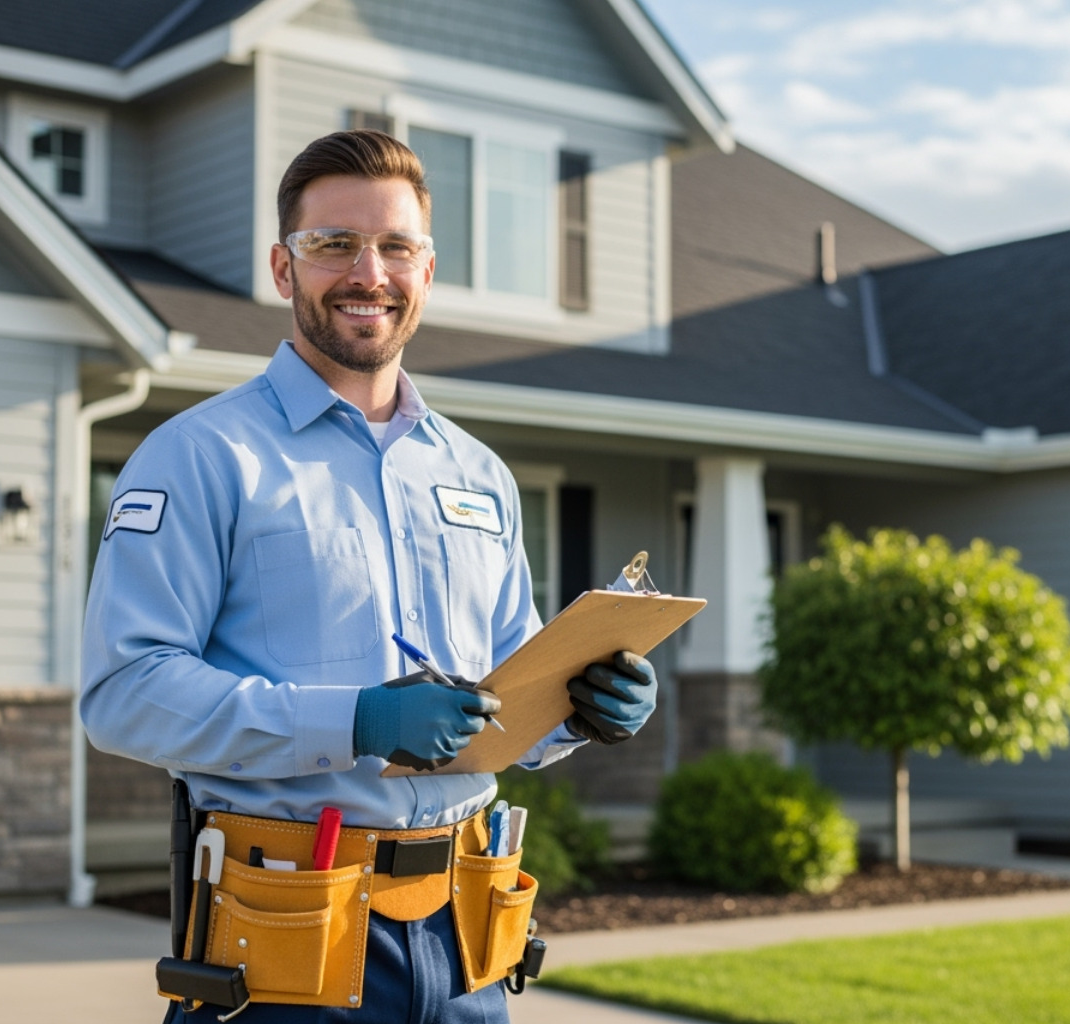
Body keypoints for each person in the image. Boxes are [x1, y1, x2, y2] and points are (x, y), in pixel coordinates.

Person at [81, 129, 656, 1023]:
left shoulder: (480, 476)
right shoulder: (199, 457)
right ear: (284, 267)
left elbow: (506, 696)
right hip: (284, 943)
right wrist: (355, 720)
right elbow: (124, 694)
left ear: (427, 269)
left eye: (395, 246)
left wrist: (579, 709)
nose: (369, 273)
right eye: (334, 244)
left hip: (467, 939)